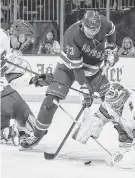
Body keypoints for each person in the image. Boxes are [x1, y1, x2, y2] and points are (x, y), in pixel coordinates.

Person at [20, 10, 118, 149]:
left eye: (95, 29)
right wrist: (84, 85)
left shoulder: (104, 22)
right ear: (83, 25)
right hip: (68, 68)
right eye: (89, 29)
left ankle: (128, 136)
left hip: (94, 70)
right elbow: (76, 68)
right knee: (51, 100)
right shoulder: (71, 35)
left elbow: (111, 32)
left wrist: (110, 49)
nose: (93, 33)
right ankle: (37, 134)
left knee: (113, 101)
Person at [0, 19, 37, 146]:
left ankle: (5, 130)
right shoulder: (1, 37)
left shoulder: (18, 57)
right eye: (27, 38)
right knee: (9, 96)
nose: (27, 42)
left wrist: (35, 80)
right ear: (21, 36)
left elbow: (14, 79)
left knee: (7, 92)